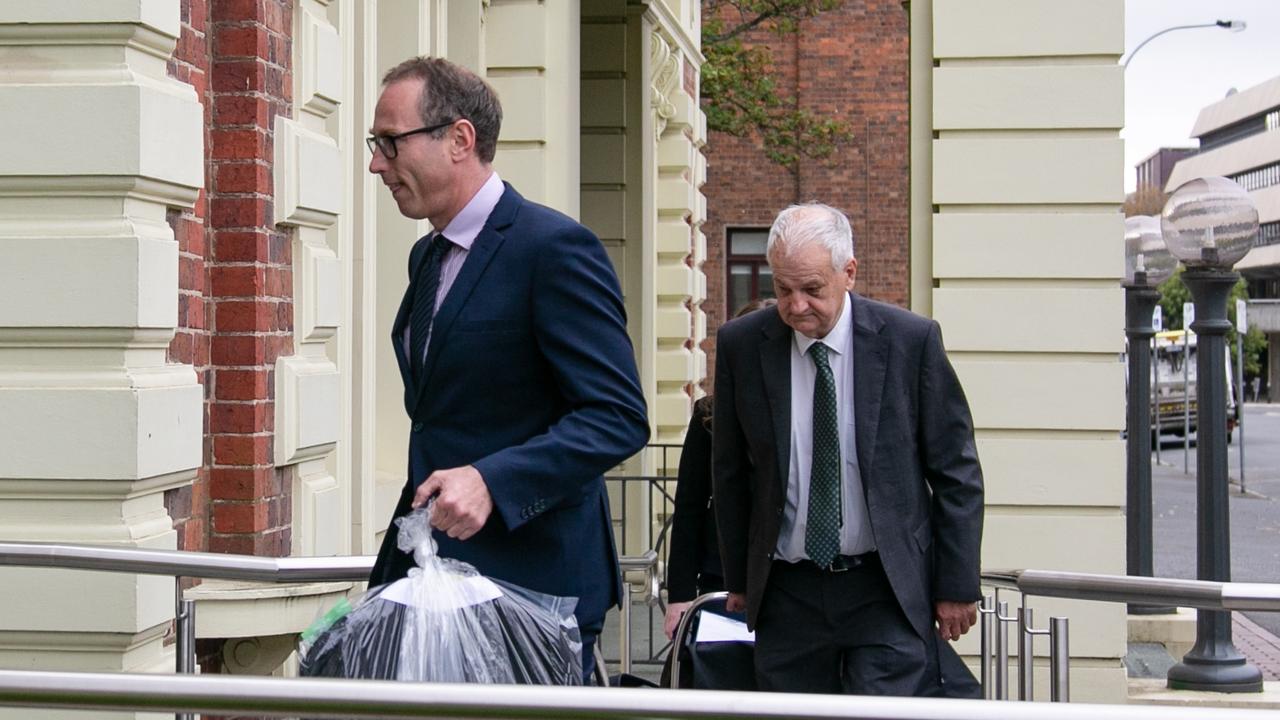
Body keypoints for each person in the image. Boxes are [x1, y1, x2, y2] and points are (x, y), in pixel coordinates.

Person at [364, 56, 650, 683]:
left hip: (534, 590)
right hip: (436, 581)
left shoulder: (553, 249)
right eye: (374, 144)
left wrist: (494, 482)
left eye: (390, 142)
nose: (376, 164)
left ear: (459, 139)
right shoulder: (426, 258)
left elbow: (618, 417)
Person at [712, 203, 985, 696]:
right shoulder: (742, 345)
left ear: (849, 273)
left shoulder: (910, 341)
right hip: (787, 591)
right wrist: (739, 579)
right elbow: (729, 472)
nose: (796, 306)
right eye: (782, 289)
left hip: (884, 588)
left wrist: (957, 585)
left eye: (812, 289)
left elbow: (956, 470)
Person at [663, 298, 776, 641]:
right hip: (722, 573)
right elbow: (689, 507)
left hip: (787, 574)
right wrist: (679, 595)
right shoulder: (709, 415)